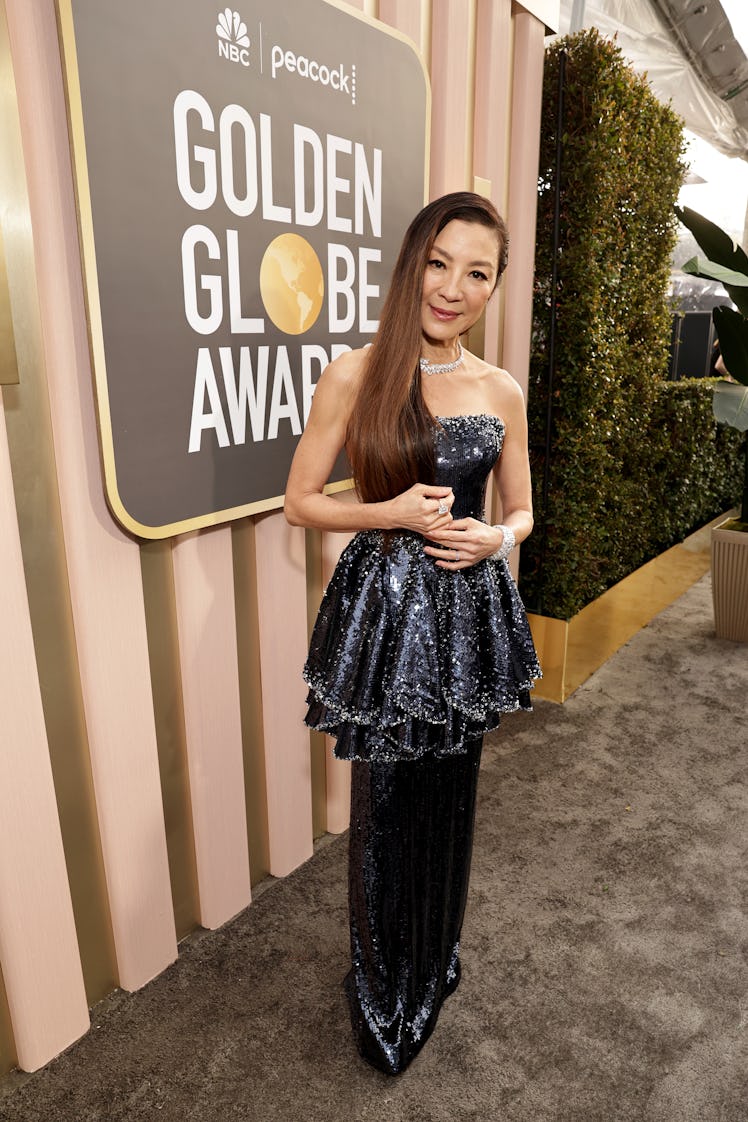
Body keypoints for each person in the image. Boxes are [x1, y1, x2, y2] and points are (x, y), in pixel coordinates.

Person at [284, 191, 541, 1074]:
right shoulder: (357, 373)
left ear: (493, 286)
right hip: (388, 614)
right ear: (411, 264)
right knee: (386, 805)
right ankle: (385, 983)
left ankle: (434, 957)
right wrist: (385, 508)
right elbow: (301, 500)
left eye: (477, 273)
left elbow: (524, 510)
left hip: (465, 611)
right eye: (439, 263)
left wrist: (496, 538)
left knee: (452, 798)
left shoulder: (499, 387)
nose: (453, 287)